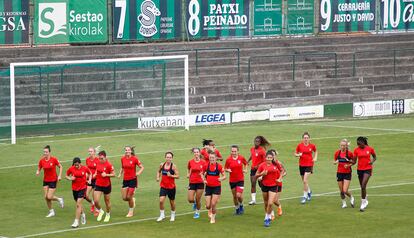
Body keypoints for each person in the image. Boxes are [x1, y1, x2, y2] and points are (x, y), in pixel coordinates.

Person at [256, 151, 283, 227]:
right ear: (265, 158)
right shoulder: (262, 165)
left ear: (272, 158)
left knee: (270, 203)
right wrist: (262, 174)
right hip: (264, 185)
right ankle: (268, 215)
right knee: (265, 203)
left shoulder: (276, 164)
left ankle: (266, 219)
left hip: (273, 185)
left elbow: (282, 171)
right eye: (268, 157)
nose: (269, 159)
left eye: (270, 158)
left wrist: (280, 178)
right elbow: (256, 175)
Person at [36, 145, 64, 217]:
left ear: (49, 152)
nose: (45, 153)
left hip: (53, 180)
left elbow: (60, 167)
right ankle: (51, 211)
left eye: (46, 152)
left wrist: (60, 175)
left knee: (49, 197)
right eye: (44, 152)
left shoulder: (54, 159)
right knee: (46, 197)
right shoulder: (41, 160)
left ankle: (59, 199)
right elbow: (39, 167)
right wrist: (38, 171)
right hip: (45, 180)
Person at [118, 146, 144, 218]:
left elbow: (142, 167)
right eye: (126, 150)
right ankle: (133, 200)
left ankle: (131, 211)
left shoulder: (134, 159)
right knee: (124, 198)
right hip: (125, 180)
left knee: (129, 197)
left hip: (133, 180)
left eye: (128, 150)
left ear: (131, 151)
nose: (127, 151)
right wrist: (120, 173)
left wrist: (138, 173)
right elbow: (122, 167)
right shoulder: (122, 158)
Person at [66, 157, 91, 228]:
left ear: (80, 163)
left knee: (78, 204)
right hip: (74, 189)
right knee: (78, 204)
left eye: (77, 165)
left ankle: (76, 221)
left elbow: (90, 173)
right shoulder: (71, 168)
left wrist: (89, 179)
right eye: (75, 165)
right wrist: (70, 178)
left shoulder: (84, 168)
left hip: (82, 188)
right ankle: (83, 214)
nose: (76, 166)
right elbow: (66, 175)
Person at [353, 136, 377, 212]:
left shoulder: (370, 149)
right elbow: (354, 161)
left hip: (368, 169)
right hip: (359, 169)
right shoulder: (356, 150)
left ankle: (363, 203)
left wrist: (372, 162)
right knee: (362, 187)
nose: (358, 145)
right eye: (357, 144)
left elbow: (375, 157)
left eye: (359, 144)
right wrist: (348, 162)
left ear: (363, 142)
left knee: (363, 185)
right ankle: (365, 198)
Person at [294, 132, 317, 204]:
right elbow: (295, 153)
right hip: (301, 165)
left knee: (304, 180)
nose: (306, 139)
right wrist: (298, 155)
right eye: (304, 138)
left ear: (309, 138)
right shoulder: (299, 146)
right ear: (302, 139)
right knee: (304, 181)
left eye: (307, 138)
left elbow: (316, 151)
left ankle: (304, 196)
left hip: (309, 164)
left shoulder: (312, 145)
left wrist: (315, 157)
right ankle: (309, 191)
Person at [203, 152, 226, 224]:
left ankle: (213, 218)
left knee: (213, 204)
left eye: (213, 158)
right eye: (210, 157)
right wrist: (204, 180)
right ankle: (209, 209)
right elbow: (201, 173)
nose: (211, 159)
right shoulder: (206, 166)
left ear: (216, 158)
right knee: (208, 206)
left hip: (216, 187)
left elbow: (225, 176)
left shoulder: (219, 166)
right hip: (208, 187)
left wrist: (221, 179)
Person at [156, 152, 179, 222]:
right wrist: (157, 177)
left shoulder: (173, 166)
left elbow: (178, 176)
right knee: (161, 201)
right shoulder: (162, 165)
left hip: (171, 187)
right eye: (167, 157)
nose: (168, 158)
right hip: (163, 186)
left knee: (172, 202)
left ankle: (173, 215)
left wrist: (171, 176)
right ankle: (162, 215)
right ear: (165, 157)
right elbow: (158, 171)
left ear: (172, 158)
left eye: (170, 157)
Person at [224, 145, 247, 215]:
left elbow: (246, 164)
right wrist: (228, 170)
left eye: (235, 151)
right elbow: (225, 168)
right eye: (232, 151)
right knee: (234, 196)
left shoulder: (241, 158)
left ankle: (241, 205)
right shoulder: (228, 160)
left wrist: (245, 169)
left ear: (238, 151)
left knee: (238, 195)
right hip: (232, 181)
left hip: (240, 180)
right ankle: (237, 209)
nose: (233, 153)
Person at [247, 136, 270, 205]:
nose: (256, 143)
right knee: (253, 183)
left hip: (260, 170)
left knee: (261, 185)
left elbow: (264, 161)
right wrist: (248, 160)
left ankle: (267, 195)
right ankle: (253, 200)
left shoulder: (262, 151)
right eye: (255, 141)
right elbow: (252, 155)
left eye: (258, 142)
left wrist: (258, 166)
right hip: (253, 169)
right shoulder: (252, 149)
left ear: (260, 143)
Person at [94, 150, 115, 222]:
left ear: (105, 157)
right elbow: (97, 170)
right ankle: (101, 211)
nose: (100, 160)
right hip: (98, 184)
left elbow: (113, 174)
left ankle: (108, 214)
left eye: (102, 158)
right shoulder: (97, 162)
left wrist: (106, 175)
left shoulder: (109, 165)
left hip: (106, 185)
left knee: (107, 201)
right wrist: (95, 174)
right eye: (99, 158)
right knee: (96, 201)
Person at [333, 139, 355, 209]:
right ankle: (344, 203)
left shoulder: (349, 153)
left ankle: (351, 197)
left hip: (347, 173)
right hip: (339, 173)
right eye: (341, 145)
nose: (342, 147)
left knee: (345, 190)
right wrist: (335, 162)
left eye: (344, 146)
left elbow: (353, 162)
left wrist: (348, 165)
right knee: (341, 191)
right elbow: (334, 161)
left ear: (346, 146)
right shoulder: (337, 153)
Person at [187, 148, 206, 219]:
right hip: (192, 182)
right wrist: (188, 174)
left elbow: (206, 171)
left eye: (197, 152)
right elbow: (188, 169)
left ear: (199, 153)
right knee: (190, 199)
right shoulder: (190, 162)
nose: (196, 154)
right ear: (193, 153)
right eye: (195, 152)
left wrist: (203, 176)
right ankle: (194, 203)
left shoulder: (203, 162)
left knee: (198, 199)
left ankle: (197, 212)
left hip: (200, 183)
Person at [269, 149, 286, 219]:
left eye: (274, 155)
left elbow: (285, 172)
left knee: (275, 200)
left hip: (278, 184)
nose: (273, 156)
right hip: (271, 184)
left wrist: (280, 177)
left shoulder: (279, 163)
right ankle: (272, 214)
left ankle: (279, 206)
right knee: (270, 200)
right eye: (271, 155)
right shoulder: (268, 163)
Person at [85, 147, 100, 215]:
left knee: (95, 196)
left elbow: (97, 170)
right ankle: (92, 203)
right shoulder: (87, 160)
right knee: (85, 195)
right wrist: (86, 177)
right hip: (89, 180)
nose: (90, 153)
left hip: (96, 180)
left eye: (91, 151)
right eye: (89, 151)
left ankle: (97, 210)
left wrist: (93, 176)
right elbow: (87, 169)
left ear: (94, 152)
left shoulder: (97, 160)